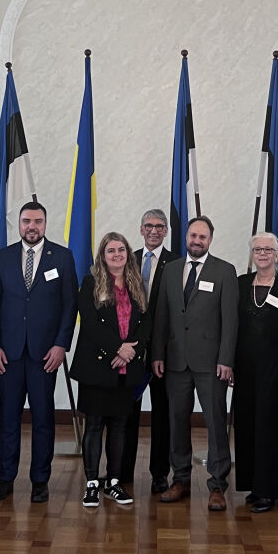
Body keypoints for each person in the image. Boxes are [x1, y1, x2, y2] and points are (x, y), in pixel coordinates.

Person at [0, 201, 78, 504]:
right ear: (19, 224)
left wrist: (61, 344)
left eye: (37, 221)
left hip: (44, 355)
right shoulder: (3, 257)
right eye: (26, 221)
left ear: (45, 224)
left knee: (43, 419)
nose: (31, 227)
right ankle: (4, 478)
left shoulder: (62, 257)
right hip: (8, 354)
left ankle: (40, 479)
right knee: (8, 418)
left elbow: (69, 306)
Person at [151, 216, 238, 512]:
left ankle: (217, 484)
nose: (197, 241)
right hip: (175, 361)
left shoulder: (225, 271)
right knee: (176, 422)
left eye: (202, 237)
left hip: (211, 364)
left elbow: (230, 321)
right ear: (185, 237)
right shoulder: (171, 269)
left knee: (215, 422)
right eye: (192, 236)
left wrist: (227, 359)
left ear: (210, 240)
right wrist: (158, 354)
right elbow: (162, 315)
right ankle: (181, 479)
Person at [70, 232, 152, 508]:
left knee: (119, 427)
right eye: (110, 251)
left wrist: (131, 352)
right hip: (97, 366)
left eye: (121, 250)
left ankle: (114, 482)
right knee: (94, 425)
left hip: (126, 370)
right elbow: (90, 324)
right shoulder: (91, 282)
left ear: (128, 253)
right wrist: (118, 348)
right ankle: (92, 483)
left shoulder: (137, 283)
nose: (117, 255)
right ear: (102, 257)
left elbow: (146, 323)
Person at [233, 232, 278, 513]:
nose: (262, 253)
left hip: (275, 371)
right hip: (244, 369)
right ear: (252, 254)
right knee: (247, 425)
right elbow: (230, 328)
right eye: (257, 249)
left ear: (277, 255)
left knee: (269, 428)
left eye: (268, 249)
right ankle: (251, 484)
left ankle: (268, 489)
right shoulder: (240, 284)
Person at [120, 208, 176, 493]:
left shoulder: (176, 263)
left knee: (162, 414)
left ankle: (159, 473)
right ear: (141, 229)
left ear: (166, 231)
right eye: (148, 226)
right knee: (127, 412)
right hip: (130, 352)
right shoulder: (127, 260)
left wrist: (162, 350)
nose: (154, 231)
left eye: (159, 226)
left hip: (162, 353)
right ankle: (123, 471)